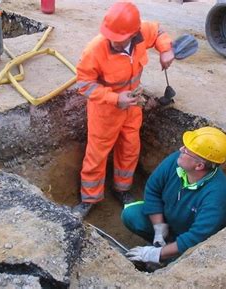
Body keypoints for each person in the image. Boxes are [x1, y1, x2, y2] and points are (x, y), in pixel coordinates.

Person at [72, 1, 175, 218]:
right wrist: (114, 98)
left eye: (120, 39)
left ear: (133, 33)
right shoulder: (95, 49)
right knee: (97, 153)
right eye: (112, 38)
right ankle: (89, 198)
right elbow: (84, 83)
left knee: (130, 147)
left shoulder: (141, 33)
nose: (115, 43)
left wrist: (166, 49)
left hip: (133, 105)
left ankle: (122, 189)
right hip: (105, 110)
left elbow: (158, 31)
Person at [122, 126, 226, 265]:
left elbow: (197, 236)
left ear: (199, 166)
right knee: (131, 215)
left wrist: (156, 254)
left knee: (181, 262)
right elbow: (153, 189)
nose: (181, 149)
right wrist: (159, 226)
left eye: (186, 150)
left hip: (195, 241)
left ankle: (169, 258)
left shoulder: (216, 194)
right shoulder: (177, 161)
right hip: (169, 224)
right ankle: (164, 244)